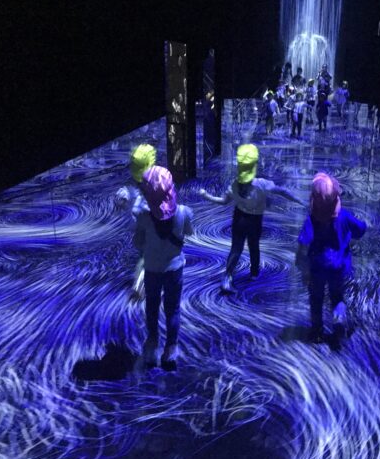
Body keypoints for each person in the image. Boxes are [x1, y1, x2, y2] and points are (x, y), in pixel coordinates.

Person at [199, 144, 305, 292]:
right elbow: (282, 191)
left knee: (236, 249)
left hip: (239, 219)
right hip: (255, 221)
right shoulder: (262, 184)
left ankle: (227, 277)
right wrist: (299, 200)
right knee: (254, 246)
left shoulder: (234, 185)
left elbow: (223, 201)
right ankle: (254, 274)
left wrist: (206, 195)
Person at [295, 173, 366, 347]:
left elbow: (303, 245)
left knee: (316, 299)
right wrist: (364, 224)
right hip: (339, 268)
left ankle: (317, 332)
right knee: (337, 297)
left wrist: (302, 267)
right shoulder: (344, 216)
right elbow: (360, 230)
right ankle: (338, 322)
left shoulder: (311, 220)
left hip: (317, 268)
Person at [137, 166, 194, 371]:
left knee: (151, 308)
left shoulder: (143, 217)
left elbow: (137, 243)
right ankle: (171, 349)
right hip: (174, 269)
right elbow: (189, 233)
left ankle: (152, 346)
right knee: (173, 309)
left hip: (152, 270)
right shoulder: (184, 212)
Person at [114, 144, 157, 301]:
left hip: (138, 225)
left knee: (144, 255)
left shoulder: (132, 183)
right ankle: (139, 287)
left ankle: (142, 283)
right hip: (149, 225)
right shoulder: (152, 180)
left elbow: (121, 199)